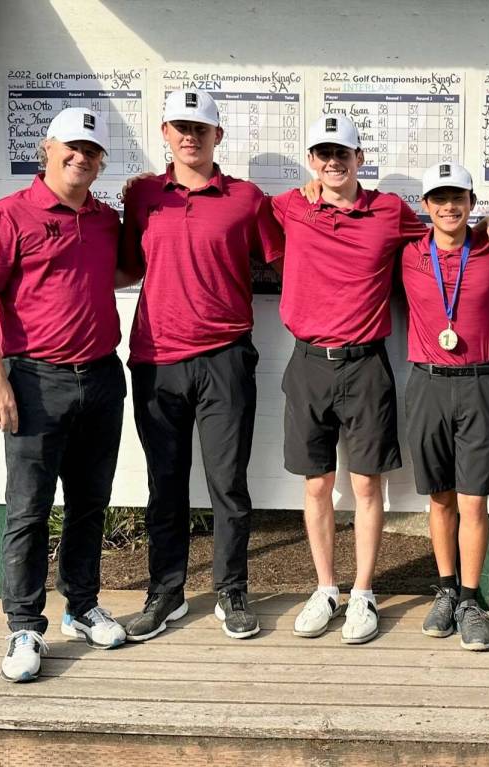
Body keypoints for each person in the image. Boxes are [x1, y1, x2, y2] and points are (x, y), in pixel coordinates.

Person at [273, 115, 489, 645]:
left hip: (366, 363)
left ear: (361, 160)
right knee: (316, 485)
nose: (333, 163)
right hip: (308, 360)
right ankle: (325, 587)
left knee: (366, 485)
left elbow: (454, 228)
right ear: (312, 160)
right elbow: (264, 233)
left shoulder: (390, 213)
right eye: (323, 154)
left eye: (344, 154)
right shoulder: (291, 205)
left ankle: (363, 593)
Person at [0, 108, 128, 681]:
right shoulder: (8, 215)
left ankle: (81, 607)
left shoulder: (106, 220)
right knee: (28, 510)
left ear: (102, 160)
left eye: (93, 149)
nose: (82, 156)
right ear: (48, 147)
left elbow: (121, 272)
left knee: (90, 503)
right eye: (72, 146)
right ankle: (24, 626)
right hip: (34, 381)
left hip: (103, 376)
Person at [120, 89, 285, 642]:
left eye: (201, 128)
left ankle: (231, 590)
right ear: (165, 133)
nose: (191, 136)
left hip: (225, 357)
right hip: (156, 360)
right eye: (180, 127)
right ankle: (164, 593)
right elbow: (121, 264)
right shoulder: (142, 194)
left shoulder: (247, 198)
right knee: (164, 485)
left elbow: (285, 258)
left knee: (228, 484)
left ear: (219, 137)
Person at [402, 162, 489, 651]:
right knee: (439, 497)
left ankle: (473, 599)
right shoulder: (408, 253)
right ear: (426, 207)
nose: (449, 207)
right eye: (439, 198)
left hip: (478, 382)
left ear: (472, 204)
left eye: (459, 198)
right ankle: (447, 589)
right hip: (426, 383)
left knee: (474, 499)